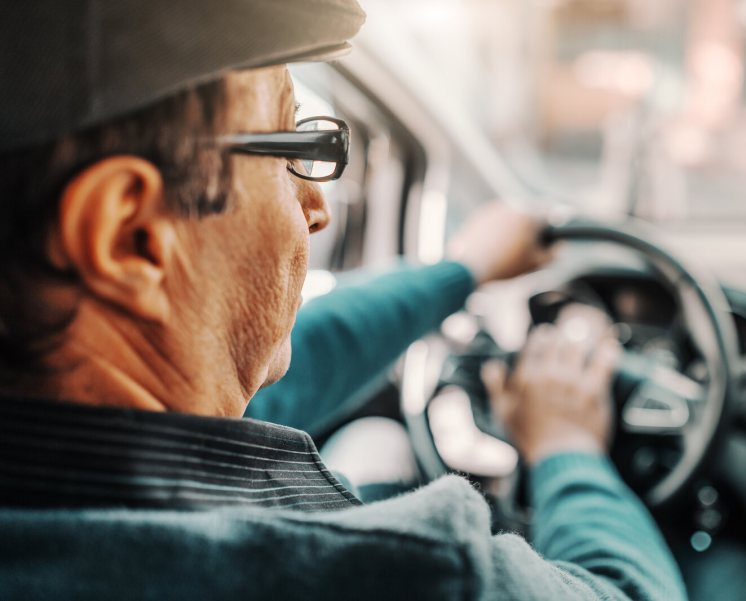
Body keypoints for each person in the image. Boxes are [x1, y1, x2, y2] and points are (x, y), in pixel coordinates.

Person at [0, 1, 687, 599]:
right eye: (292, 144)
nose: (317, 207)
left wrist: (462, 270)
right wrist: (568, 445)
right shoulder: (397, 573)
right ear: (132, 236)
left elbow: (277, 377)